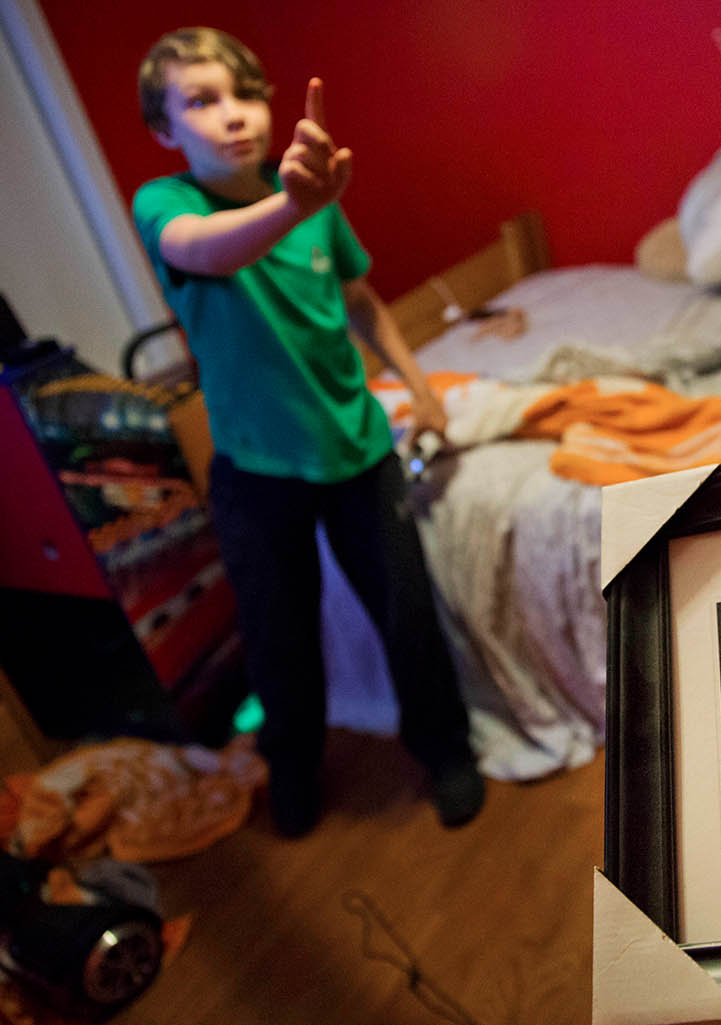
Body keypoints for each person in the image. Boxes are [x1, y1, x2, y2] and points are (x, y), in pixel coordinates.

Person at [132, 27, 482, 835]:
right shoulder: (170, 205)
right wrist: (293, 203)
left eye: (244, 95)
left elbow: (361, 300)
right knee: (278, 636)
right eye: (201, 101)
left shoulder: (316, 199)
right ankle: (292, 768)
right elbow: (210, 253)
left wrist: (420, 386)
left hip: (358, 450)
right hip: (257, 473)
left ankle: (447, 750)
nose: (231, 115)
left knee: (408, 615)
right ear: (165, 130)